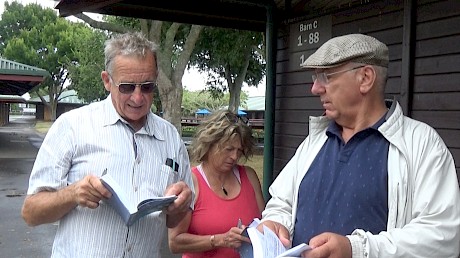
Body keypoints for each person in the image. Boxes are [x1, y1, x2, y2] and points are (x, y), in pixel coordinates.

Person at [260, 34, 460, 257]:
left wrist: (357, 249)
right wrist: (276, 222)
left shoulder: (422, 144)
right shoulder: (316, 140)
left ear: (365, 78)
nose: (315, 88)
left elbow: (442, 236)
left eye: (325, 76)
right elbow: (281, 202)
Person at [21, 32, 194, 257]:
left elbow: (174, 223)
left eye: (147, 87)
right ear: (107, 80)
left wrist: (180, 205)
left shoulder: (170, 137)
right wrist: (73, 194)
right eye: (127, 87)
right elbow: (31, 213)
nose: (138, 98)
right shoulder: (73, 126)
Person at [168, 110, 265, 257]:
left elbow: (264, 225)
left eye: (239, 151)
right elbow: (174, 242)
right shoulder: (191, 182)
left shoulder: (249, 176)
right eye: (229, 149)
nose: (234, 156)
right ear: (210, 144)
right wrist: (219, 240)